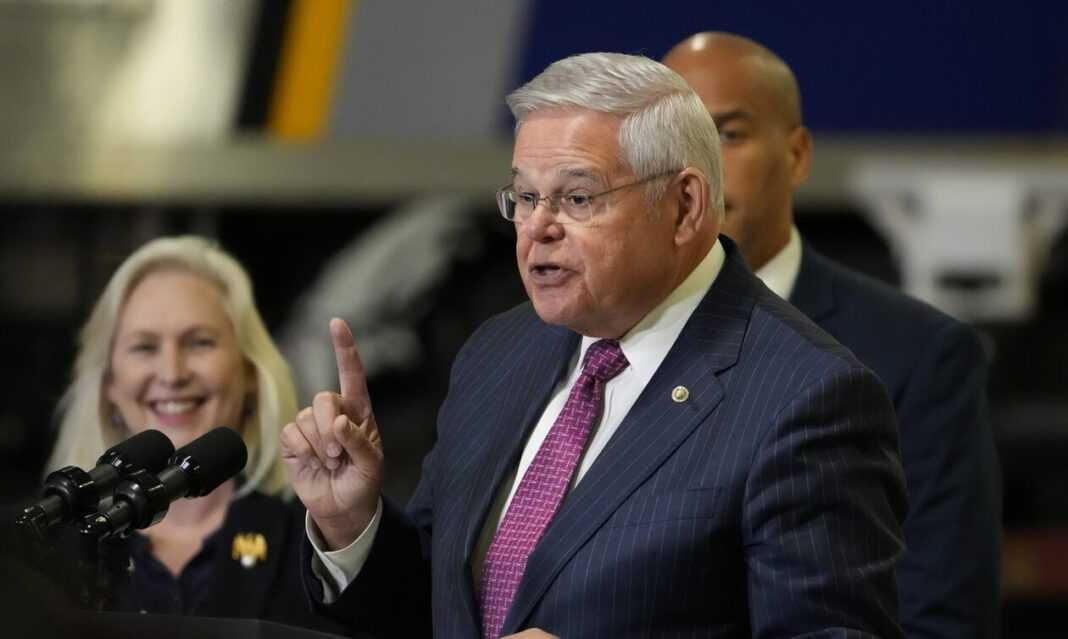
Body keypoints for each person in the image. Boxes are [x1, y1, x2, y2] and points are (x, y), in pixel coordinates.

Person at [283, 52, 908, 638]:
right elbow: (438, 607)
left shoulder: (806, 398)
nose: (538, 228)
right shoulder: (497, 352)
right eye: (526, 197)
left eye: (577, 198)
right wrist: (352, 522)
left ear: (685, 206)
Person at [663, 32, 1002, 638]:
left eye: (729, 135)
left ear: (796, 155)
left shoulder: (919, 354)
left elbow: (942, 616)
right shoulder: (591, 341)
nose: (698, 171)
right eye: (670, 143)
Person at [46, 235, 339, 632]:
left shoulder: (321, 544)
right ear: (108, 383)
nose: (172, 373)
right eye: (144, 347)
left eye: (200, 342)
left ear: (250, 374)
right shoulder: (44, 546)